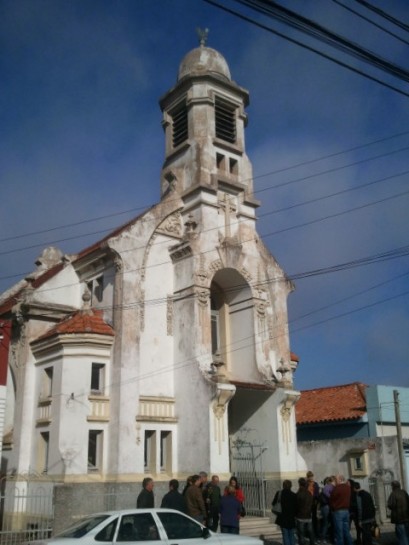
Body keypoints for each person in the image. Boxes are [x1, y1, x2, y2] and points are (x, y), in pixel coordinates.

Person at [329, 475, 353, 545]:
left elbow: (331, 500)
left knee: (339, 533)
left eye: (336, 480)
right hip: (346, 511)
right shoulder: (348, 488)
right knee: (346, 532)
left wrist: (333, 506)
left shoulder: (336, 488)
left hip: (338, 511)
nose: (335, 481)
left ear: (339, 480)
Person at [273, 480, 297, 545]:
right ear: (291, 486)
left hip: (282, 517)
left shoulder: (279, 493)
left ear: (283, 486)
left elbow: (273, 503)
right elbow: (297, 508)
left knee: (285, 535)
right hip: (291, 518)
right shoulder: (294, 495)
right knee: (292, 535)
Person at [387, 480, 409, 545]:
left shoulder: (393, 494)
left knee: (402, 536)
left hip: (399, 518)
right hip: (407, 517)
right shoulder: (404, 492)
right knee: (407, 534)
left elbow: (390, 505)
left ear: (393, 486)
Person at [296, 477, 315, 545]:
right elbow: (312, 504)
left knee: (301, 534)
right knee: (310, 532)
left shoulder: (298, 494)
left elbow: (296, 505)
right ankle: (312, 543)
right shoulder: (309, 493)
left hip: (300, 516)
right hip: (308, 515)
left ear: (299, 484)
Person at [319, 476, 335, 544]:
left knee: (326, 523)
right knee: (327, 523)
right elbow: (329, 496)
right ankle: (324, 539)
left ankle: (324, 538)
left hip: (324, 507)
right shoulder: (329, 487)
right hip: (327, 507)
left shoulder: (325, 487)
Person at [307, 471, 320, 538]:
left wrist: (316, 500)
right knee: (308, 518)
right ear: (307, 477)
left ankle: (315, 533)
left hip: (313, 503)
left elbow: (317, 494)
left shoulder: (315, 484)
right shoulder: (306, 484)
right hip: (307, 503)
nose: (311, 478)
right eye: (310, 476)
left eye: (312, 476)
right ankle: (309, 533)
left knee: (314, 518)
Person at [349, 480, 361, 545]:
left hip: (353, 512)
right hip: (353, 512)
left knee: (357, 527)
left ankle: (358, 540)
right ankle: (357, 540)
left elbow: (355, 503)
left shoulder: (353, 493)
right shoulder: (353, 492)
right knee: (357, 527)